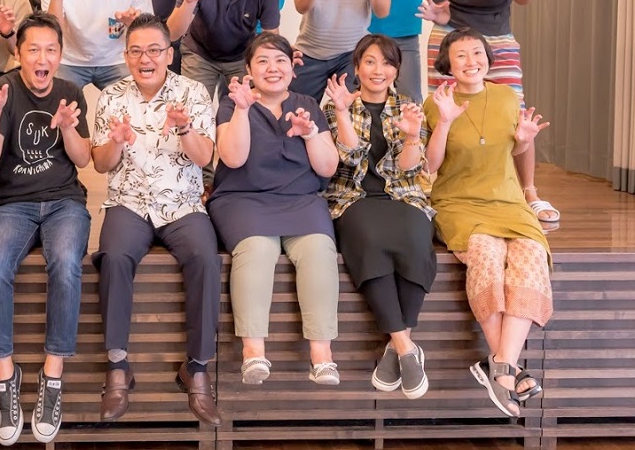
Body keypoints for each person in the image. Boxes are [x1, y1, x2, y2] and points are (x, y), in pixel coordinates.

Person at [91, 14, 221, 426]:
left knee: (205, 257)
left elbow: (204, 157)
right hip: (128, 202)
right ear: (126, 55)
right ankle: (118, 366)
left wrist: (184, 130)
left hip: (182, 203)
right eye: (136, 51)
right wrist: (115, 142)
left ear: (169, 53)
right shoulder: (111, 96)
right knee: (113, 255)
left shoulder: (193, 92)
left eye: (153, 50)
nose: (144, 59)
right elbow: (100, 164)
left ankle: (196, 368)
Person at [0, 12, 92, 445]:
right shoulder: (2, 90)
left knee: (66, 263)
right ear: (19, 53)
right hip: (11, 203)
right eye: (33, 50)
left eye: (51, 50)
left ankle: (52, 376)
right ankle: (5, 379)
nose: (43, 59)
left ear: (60, 54)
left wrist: (69, 128)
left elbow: (83, 159)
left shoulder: (70, 91)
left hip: (64, 202)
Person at [423, 27, 551, 416]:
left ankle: (500, 366)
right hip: (458, 202)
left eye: (477, 53)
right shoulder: (437, 102)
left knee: (531, 256)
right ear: (448, 64)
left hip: (508, 201)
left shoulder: (507, 97)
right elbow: (430, 166)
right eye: (461, 55)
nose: (471, 61)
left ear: (488, 59)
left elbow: (517, 149)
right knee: (486, 254)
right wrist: (445, 121)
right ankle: (507, 370)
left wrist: (525, 139)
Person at [418, 0, 556, 224]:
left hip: (496, 33)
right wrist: (437, 16)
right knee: (444, 109)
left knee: (515, 112)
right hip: (452, 34)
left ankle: (529, 192)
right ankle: (439, 185)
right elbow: (444, 13)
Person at [209, 32, 341, 386]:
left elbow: (328, 167)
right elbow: (232, 158)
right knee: (257, 249)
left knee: (319, 250)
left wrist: (310, 134)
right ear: (249, 69)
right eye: (263, 61)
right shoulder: (233, 103)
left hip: (300, 199)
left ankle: (322, 355)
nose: (272, 68)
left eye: (280, 60)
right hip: (243, 198)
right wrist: (242, 109)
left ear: (293, 68)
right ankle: (253, 352)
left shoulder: (307, 104)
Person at [322, 35, 436, 399]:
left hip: (402, 194)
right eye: (370, 61)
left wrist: (413, 136)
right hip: (353, 197)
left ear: (397, 70)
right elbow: (348, 159)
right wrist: (342, 114)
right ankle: (406, 346)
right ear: (356, 67)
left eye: (387, 63)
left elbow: (409, 169)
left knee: (417, 237)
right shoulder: (336, 106)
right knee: (369, 241)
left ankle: (398, 347)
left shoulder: (408, 107)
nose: (378, 70)